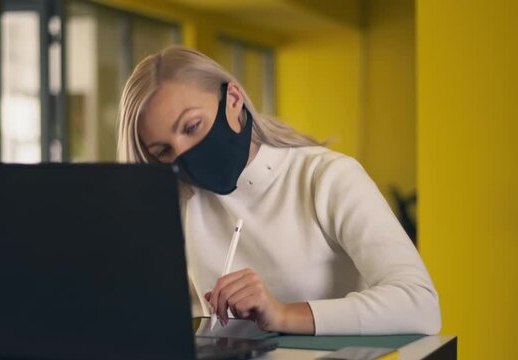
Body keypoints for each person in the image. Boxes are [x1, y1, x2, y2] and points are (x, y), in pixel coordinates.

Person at [117, 46, 441, 335]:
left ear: (233, 99)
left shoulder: (326, 176)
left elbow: (419, 304)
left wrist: (284, 314)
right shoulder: (182, 203)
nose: (183, 153)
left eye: (191, 127)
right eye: (163, 151)